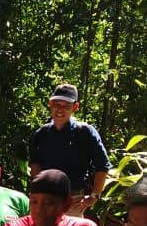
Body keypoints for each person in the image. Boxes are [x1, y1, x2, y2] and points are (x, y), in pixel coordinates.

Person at [28, 83, 111, 214]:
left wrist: (94, 195)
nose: (60, 109)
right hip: (44, 200)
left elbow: (102, 165)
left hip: (73, 201)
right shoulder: (41, 134)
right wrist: (36, 193)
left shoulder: (85, 132)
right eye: (57, 104)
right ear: (50, 104)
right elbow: (35, 164)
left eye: (66, 106)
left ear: (75, 107)